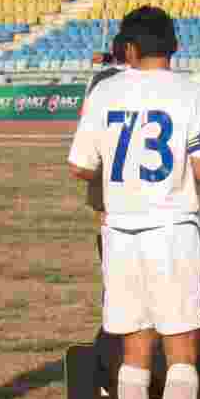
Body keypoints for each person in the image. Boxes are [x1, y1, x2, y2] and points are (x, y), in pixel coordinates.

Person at [67, 6, 200, 399]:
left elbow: (80, 167)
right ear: (173, 46)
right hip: (173, 231)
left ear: (128, 50)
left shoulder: (105, 91)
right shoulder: (190, 91)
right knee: (182, 351)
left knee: (134, 350)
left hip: (122, 235)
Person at [82, 32, 130, 257]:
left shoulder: (98, 80)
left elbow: (86, 116)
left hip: (106, 153)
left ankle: (110, 262)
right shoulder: (144, 77)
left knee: (105, 216)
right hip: (138, 153)